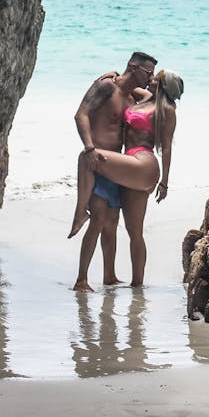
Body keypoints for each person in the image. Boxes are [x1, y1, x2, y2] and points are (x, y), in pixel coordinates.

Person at [84, 69, 183, 287]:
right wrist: (113, 74)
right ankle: (111, 277)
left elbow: (166, 148)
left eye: (156, 79)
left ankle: (137, 284)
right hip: (127, 164)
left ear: (163, 85)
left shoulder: (167, 109)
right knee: (119, 225)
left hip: (143, 163)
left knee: (134, 230)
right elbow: (122, 85)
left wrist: (165, 181)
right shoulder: (146, 97)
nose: (151, 80)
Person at [69, 52, 157, 292]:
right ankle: (81, 280)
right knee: (97, 219)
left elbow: (153, 96)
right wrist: (89, 147)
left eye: (151, 75)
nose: (149, 79)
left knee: (112, 223)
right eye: (147, 72)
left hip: (116, 167)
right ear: (133, 66)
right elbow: (81, 114)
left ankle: (109, 276)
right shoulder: (106, 87)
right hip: (97, 161)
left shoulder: (132, 97)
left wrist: (120, 74)